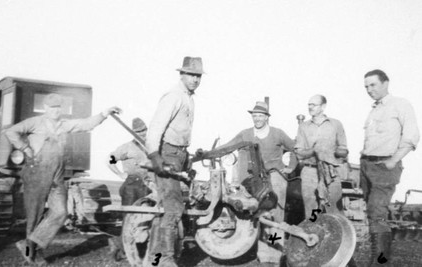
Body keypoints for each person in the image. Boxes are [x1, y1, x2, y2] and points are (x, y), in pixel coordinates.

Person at [4, 93, 121, 265]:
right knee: (34, 215)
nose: (55, 111)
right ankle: (32, 254)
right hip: (36, 173)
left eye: (58, 107)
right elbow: (11, 131)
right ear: (46, 108)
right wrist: (25, 149)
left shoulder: (65, 125)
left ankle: (31, 244)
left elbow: (86, 123)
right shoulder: (35, 122)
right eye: (52, 108)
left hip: (57, 175)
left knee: (60, 212)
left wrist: (104, 113)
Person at [199, 101, 296, 266]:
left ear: (267, 117)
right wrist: (207, 154)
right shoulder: (245, 134)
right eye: (254, 116)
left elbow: (295, 148)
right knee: (252, 214)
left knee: (274, 217)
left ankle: (271, 257)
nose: (257, 119)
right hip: (251, 181)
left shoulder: (278, 134)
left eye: (260, 116)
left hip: (274, 177)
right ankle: (253, 248)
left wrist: (291, 167)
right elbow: (228, 147)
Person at [145, 56, 204, 267]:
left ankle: (155, 258)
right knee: (173, 208)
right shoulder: (173, 96)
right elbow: (155, 129)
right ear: (182, 74)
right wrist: (155, 157)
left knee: (173, 207)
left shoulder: (190, 99)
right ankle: (164, 260)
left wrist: (186, 157)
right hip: (166, 154)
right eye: (191, 75)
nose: (195, 79)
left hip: (179, 154)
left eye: (198, 76)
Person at [361, 69, 419, 265]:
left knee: (377, 211)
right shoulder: (374, 110)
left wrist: (393, 160)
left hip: (384, 166)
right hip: (366, 165)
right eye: (366, 87)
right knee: (373, 213)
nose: (369, 90)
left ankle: (380, 262)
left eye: (373, 85)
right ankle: (378, 258)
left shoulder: (400, 105)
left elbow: (411, 137)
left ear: (386, 83)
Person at [294, 95, 349, 218]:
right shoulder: (303, 127)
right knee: (312, 210)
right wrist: (314, 151)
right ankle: (314, 233)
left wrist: (333, 151)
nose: (310, 107)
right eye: (309, 104)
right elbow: (299, 153)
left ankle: (335, 234)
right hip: (310, 172)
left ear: (323, 106)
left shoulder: (336, 124)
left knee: (332, 207)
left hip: (331, 172)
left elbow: (344, 150)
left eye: (313, 104)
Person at [107, 117, 152, 206]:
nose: (142, 133)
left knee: (149, 215)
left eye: (143, 130)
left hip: (148, 186)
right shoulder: (127, 148)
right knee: (128, 215)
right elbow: (110, 160)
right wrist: (119, 173)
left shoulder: (152, 146)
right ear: (133, 133)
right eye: (138, 132)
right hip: (132, 185)